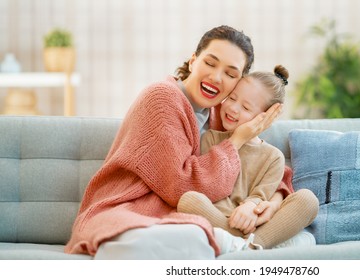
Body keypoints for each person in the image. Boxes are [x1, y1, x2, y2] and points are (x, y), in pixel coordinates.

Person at [64, 25, 287, 259]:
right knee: (181, 239)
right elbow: (181, 186)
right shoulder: (162, 98)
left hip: (177, 219)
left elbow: (268, 167)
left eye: (231, 74)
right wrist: (236, 141)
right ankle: (236, 243)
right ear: (193, 61)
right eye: (210, 63)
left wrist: (267, 204)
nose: (216, 77)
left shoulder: (222, 113)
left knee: (190, 237)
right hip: (129, 208)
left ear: (238, 84)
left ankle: (233, 242)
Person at [178, 65, 319, 253]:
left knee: (308, 199)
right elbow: (208, 182)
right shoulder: (211, 138)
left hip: (255, 221)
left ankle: (250, 243)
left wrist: (251, 207)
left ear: (266, 117)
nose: (233, 108)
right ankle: (250, 245)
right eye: (232, 98)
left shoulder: (273, 157)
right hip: (220, 216)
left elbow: (262, 195)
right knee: (189, 200)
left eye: (245, 107)